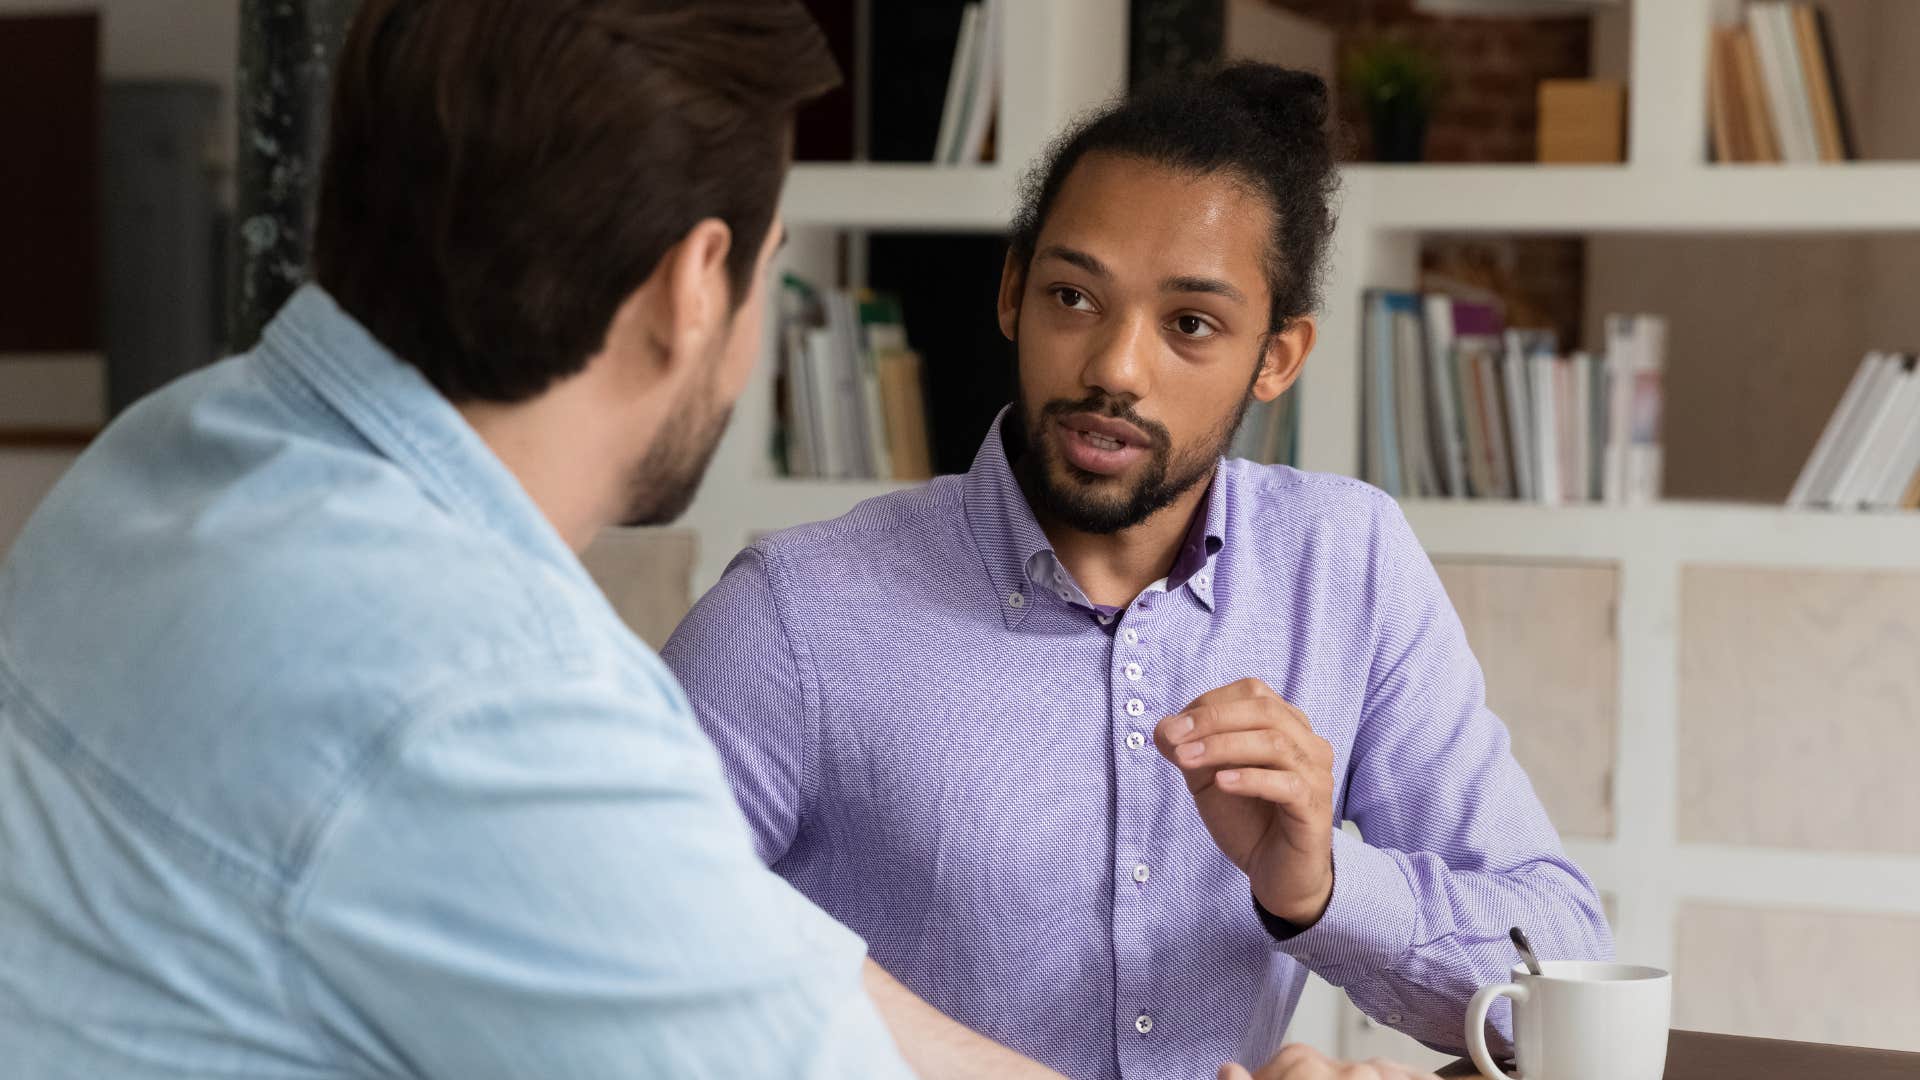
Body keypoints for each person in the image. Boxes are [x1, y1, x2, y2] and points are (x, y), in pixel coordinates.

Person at [0, 1, 930, 1076]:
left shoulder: (172, 447)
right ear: (693, 283)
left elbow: (743, 957)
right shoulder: (496, 691)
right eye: (769, 264)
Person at [662, 62, 1614, 1080]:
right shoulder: (798, 611)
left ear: (1278, 356)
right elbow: (606, 941)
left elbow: (1562, 979)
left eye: (1190, 324)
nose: (1117, 366)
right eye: (1074, 296)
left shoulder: (1346, 565)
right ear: (1013, 292)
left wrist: (1323, 888)